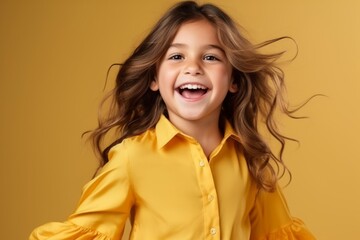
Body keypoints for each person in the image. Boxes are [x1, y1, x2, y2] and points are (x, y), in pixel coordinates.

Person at [30, 1, 316, 239]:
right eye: (176, 56)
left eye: (211, 57)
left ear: (234, 80)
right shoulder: (132, 157)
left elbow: (277, 234)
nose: (192, 67)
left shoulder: (252, 161)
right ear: (155, 78)